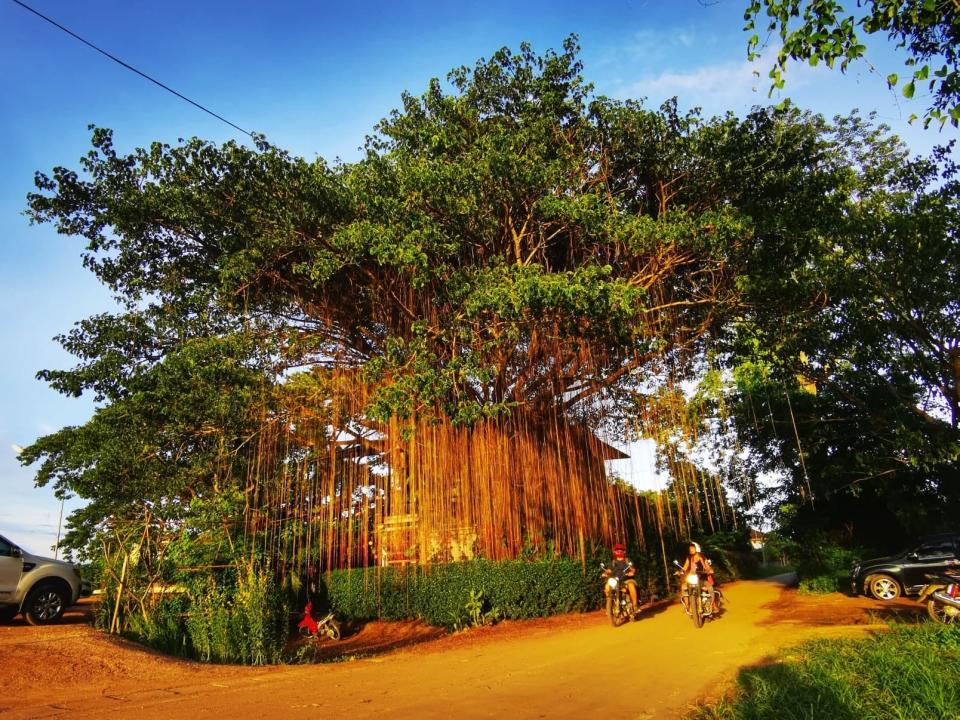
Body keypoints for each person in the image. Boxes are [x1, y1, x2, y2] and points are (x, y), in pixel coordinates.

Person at [680, 542, 716, 612]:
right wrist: (681, 571)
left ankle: (713, 605)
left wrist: (709, 570)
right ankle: (687, 605)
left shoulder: (702, 556)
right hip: (693, 577)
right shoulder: (689, 558)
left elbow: (707, 566)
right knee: (683, 587)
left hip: (702, 577)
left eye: (692, 548)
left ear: (696, 548)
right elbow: (685, 566)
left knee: (709, 587)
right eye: (689, 549)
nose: (691, 550)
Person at [604, 543, 640, 613]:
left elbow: (633, 569)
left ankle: (635, 606)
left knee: (631, 585)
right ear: (614, 552)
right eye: (617, 550)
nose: (619, 552)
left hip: (627, 579)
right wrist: (605, 573)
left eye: (621, 550)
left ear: (624, 551)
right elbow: (609, 570)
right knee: (607, 586)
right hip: (616, 580)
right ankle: (610, 606)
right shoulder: (613, 562)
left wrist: (631, 572)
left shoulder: (627, 560)